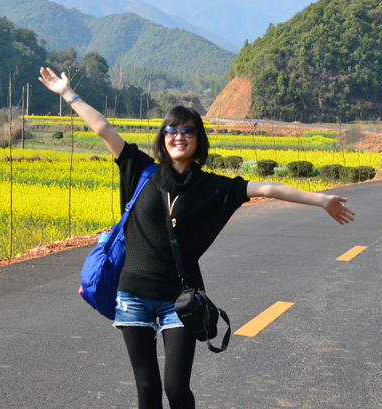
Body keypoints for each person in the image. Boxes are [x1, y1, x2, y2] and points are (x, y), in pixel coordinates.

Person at [38, 67, 354, 409]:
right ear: (163, 137)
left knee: (176, 389)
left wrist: (322, 199)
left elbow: (267, 187)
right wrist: (68, 93)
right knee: (146, 388)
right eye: (172, 130)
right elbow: (103, 128)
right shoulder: (140, 170)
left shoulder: (212, 187)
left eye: (188, 131)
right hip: (133, 295)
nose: (179, 136)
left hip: (181, 299)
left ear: (198, 139)